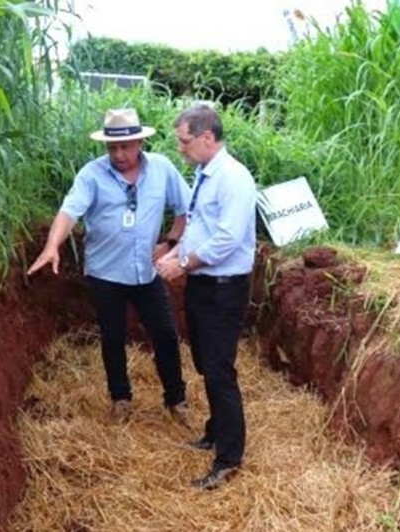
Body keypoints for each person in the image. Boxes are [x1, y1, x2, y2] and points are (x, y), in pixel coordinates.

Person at [27, 108, 192, 426]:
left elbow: (186, 208)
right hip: (106, 273)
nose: (119, 154)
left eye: (125, 147)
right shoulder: (92, 174)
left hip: (146, 271)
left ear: (140, 143)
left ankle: (177, 400)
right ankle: (121, 399)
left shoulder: (162, 169)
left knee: (166, 334)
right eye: (112, 148)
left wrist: (171, 243)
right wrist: (52, 246)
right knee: (113, 337)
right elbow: (68, 212)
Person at [156, 104, 256, 490]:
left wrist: (183, 264)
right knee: (205, 361)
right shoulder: (204, 174)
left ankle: (229, 458)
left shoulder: (234, 178)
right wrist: (176, 253)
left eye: (184, 140)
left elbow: (228, 239)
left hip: (224, 289)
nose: (180, 148)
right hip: (204, 283)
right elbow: (201, 227)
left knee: (218, 370)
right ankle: (215, 431)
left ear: (207, 137)